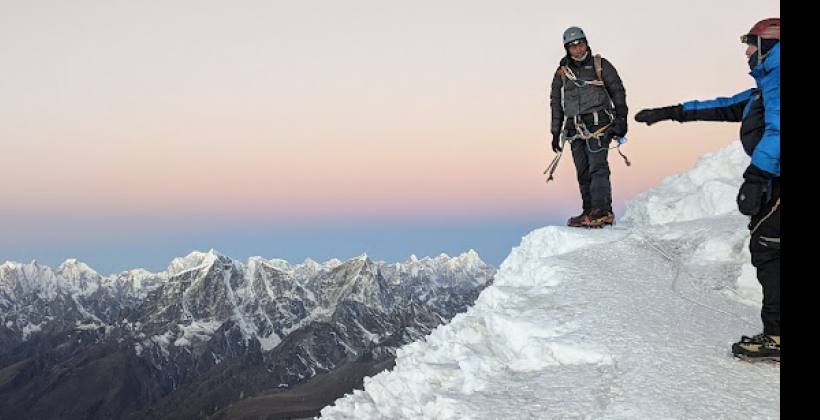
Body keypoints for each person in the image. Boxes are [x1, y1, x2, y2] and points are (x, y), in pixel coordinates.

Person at [634, 18, 780, 361]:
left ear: (768, 45)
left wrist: (757, 176)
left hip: (775, 180)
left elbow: (778, 130)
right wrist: (671, 112)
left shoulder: (776, 80)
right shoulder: (766, 84)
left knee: (770, 251)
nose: (746, 51)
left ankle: (776, 336)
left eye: (750, 43)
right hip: (772, 177)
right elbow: (725, 106)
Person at [550, 26, 629, 228]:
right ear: (567, 49)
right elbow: (556, 102)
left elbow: (617, 91)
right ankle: (589, 211)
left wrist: (622, 120)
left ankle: (602, 210)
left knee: (597, 168)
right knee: (583, 171)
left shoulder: (600, 65)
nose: (577, 49)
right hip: (573, 128)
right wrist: (555, 131)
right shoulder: (562, 73)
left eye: (580, 44)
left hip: (598, 125)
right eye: (572, 46)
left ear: (586, 43)